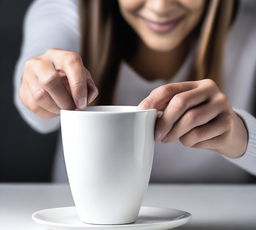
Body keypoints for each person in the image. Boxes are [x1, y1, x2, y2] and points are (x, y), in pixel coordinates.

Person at [14, 0, 256, 183]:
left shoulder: (249, 25)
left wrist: (242, 136)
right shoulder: (66, 10)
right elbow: (37, 117)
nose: (160, 8)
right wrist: (39, 86)